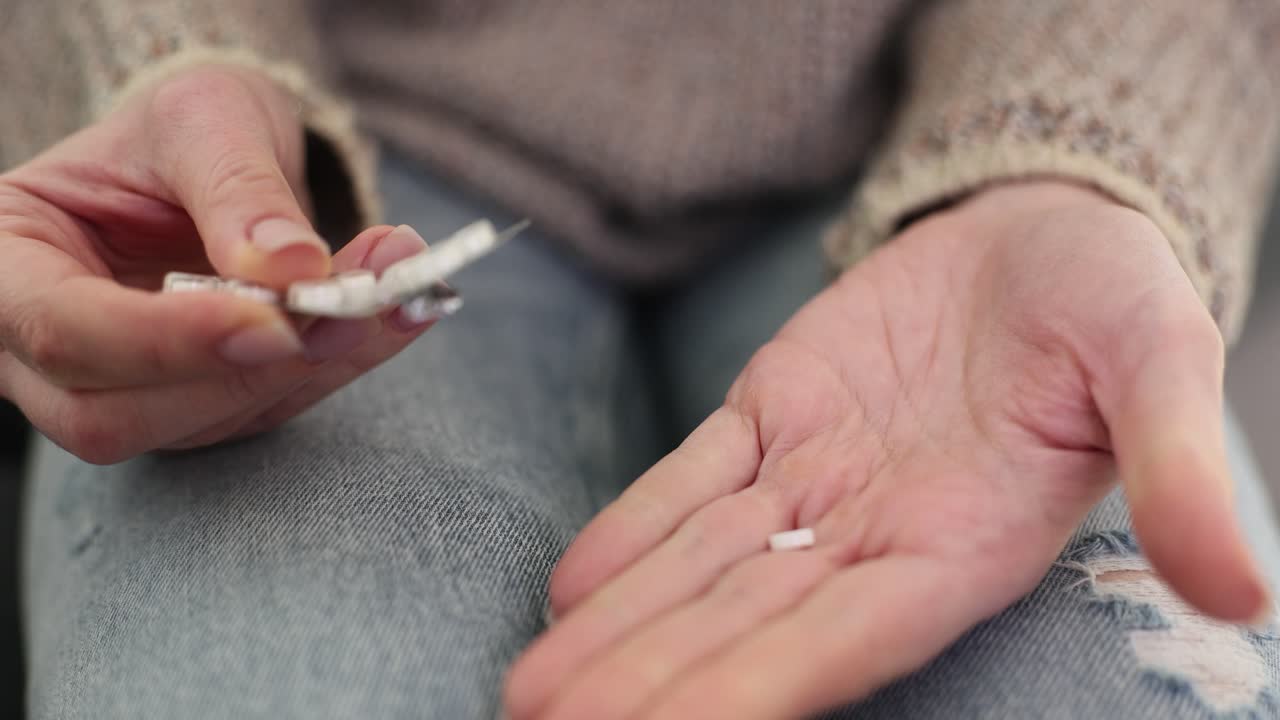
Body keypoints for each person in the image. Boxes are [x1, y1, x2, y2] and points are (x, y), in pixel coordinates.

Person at [2, 1, 1278, 718]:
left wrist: (1072, 160)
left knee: (1122, 695)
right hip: (361, 159)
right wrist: (160, 55)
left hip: (928, 171)